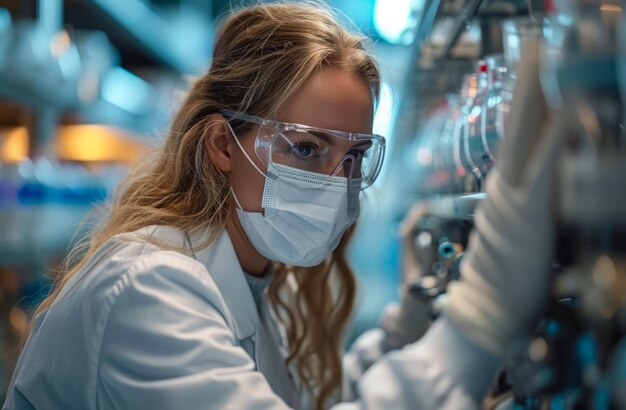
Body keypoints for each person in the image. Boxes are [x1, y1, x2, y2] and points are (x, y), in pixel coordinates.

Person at [3, 3, 567, 410]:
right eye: (306, 148)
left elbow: (304, 399)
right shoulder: (146, 290)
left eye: (354, 157)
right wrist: (479, 321)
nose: (335, 181)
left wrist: (405, 331)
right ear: (224, 146)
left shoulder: (260, 281)